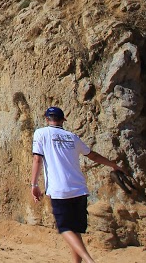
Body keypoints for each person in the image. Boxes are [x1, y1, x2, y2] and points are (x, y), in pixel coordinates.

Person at [31, 107, 125, 263]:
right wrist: (113, 165)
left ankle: (89, 260)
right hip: (79, 189)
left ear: (47, 119)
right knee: (75, 230)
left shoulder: (41, 133)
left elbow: (37, 160)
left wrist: (34, 184)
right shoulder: (72, 137)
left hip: (59, 190)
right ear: (63, 120)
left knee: (65, 228)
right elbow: (93, 155)